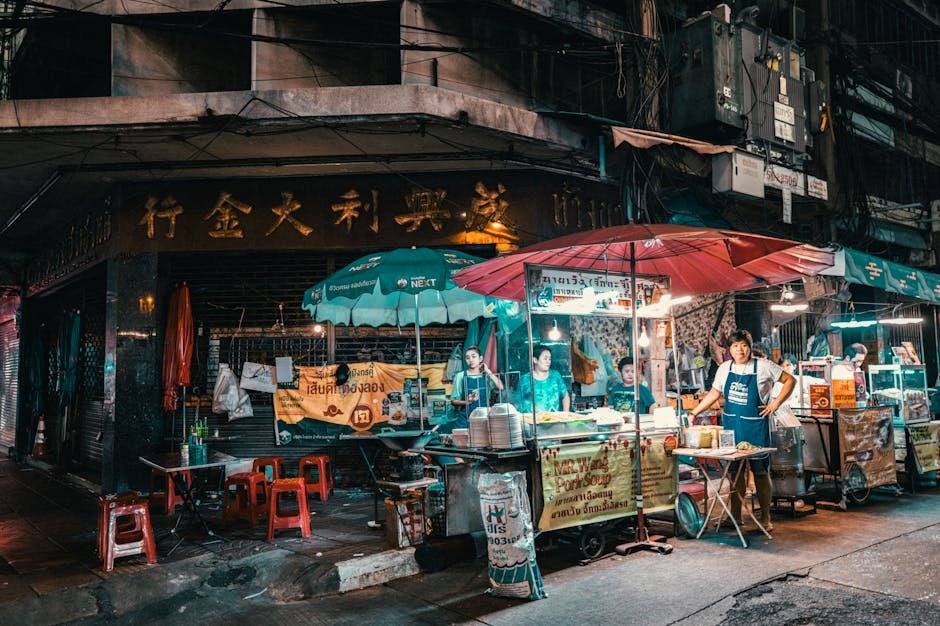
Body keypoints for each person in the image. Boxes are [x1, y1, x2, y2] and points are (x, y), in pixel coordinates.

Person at [687, 329, 795, 531]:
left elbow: (790, 380)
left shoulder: (763, 366)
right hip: (732, 427)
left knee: (761, 473)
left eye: (744, 345)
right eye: (735, 346)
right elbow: (714, 393)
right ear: (729, 349)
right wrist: (695, 412)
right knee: (735, 473)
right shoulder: (724, 368)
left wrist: (776, 403)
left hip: (756, 427)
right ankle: (735, 516)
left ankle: (765, 518)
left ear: (749, 347)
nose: (740, 349)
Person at [449, 345, 504, 429]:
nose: (471, 360)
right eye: (467, 358)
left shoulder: (486, 376)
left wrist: (488, 371)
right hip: (465, 420)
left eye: (474, 356)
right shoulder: (460, 376)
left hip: (484, 418)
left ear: (480, 358)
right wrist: (467, 402)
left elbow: (500, 387)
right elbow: (453, 401)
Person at [516, 344, 570, 413]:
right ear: (535, 360)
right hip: (531, 422)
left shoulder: (555, 376)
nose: (548, 361)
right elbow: (517, 403)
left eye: (549, 359)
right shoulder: (524, 380)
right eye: (545, 358)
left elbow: (565, 396)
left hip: (554, 421)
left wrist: (566, 414)